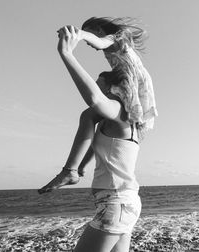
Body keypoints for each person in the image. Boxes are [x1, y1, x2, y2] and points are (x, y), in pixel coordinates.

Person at [39, 17, 157, 251]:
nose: (95, 84)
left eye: (98, 82)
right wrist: (82, 166)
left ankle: (68, 171)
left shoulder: (116, 109)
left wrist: (71, 47)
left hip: (115, 204)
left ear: (112, 87)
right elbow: (95, 142)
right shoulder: (119, 123)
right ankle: (71, 170)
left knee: (90, 111)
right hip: (126, 203)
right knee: (89, 115)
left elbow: (94, 98)